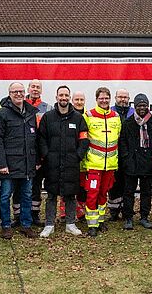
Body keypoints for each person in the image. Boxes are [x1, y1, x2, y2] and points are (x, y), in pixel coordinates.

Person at [38, 85, 89, 237]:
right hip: (52, 163)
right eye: (61, 95)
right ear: (56, 97)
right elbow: (41, 138)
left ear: (69, 97)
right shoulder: (48, 117)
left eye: (66, 95)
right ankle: (49, 224)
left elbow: (84, 140)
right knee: (52, 195)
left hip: (71, 163)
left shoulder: (78, 118)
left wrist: (77, 156)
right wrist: (47, 155)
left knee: (70, 194)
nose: (64, 98)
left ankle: (70, 223)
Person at [0, 82, 38, 239]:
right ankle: (6, 225)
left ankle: (26, 225)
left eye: (21, 91)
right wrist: (1, 164)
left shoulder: (31, 113)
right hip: (9, 165)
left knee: (27, 195)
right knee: (5, 196)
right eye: (14, 91)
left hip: (27, 164)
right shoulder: (1, 113)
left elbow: (35, 139)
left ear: (25, 93)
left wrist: (36, 160)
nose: (18, 94)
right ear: (9, 94)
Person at [12, 79, 53, 227]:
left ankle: (34, 214)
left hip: (39, 153)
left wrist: (43, 155)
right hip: (22, 153)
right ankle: (17, 215)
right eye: (33, 86)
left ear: (41, 90)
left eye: (38, 87)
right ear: (28, 88)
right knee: (18, 186)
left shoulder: (47, 108)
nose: (35, 89)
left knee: (36, 187)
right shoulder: (20, 105)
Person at [120, 93, 152, 230]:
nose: (142, 108)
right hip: (131, 164)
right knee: (128, 192)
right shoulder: (127, 123)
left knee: (146, 192)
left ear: (148, 106)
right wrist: (126, 158)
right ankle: (128, 218)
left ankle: (144, 217)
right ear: (135, 106)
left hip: (148, 163)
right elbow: (122, 142)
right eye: (139, 105)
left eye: (145, 105)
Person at [84, 87, 122, 237]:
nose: (104, 101)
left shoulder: (116, 116)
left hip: (110, 164)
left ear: (110, 99)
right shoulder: (89, 115)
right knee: (92, 193)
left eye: (106, 98)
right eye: (101, 98)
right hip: (93, 164)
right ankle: (91, 225)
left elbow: (118, 137)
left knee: (103, 193)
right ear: (96, 99)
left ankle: (100, 221)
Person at [57, 90, 87, 222]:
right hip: (67, 160)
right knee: (65, 186)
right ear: (72, 101)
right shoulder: (66, 115)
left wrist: (79, 155)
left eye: (81, 100)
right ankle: (64, 213)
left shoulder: (88, 116)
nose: (79, 102)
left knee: (81, 188)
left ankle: (81, 212)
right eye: (77, 100)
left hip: (84, 161)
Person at [108, 89, 135, 221]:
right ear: (115, 97)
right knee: (113, 185)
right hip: (113, 154)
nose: (123, 99)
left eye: (125, 97)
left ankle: (127, 210)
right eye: (120, 97)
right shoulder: (110, 112)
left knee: (128, 185)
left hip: (129, 155)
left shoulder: (134, 113)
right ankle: (113, 211)